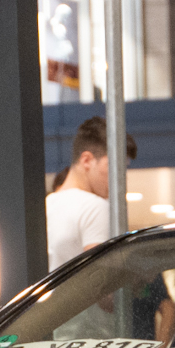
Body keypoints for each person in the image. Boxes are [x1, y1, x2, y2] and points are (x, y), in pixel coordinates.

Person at [45, 116, 136, 270]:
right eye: (113, 166)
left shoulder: (47, 205)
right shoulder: (95, 208)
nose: (120, 177)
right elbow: (100, 281)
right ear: (86, 160)